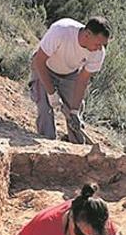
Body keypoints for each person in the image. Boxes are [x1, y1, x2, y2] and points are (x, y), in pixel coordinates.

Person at [29, 16, 111, 144]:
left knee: (74, 118)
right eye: (98, 44)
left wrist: (74, 110)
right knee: (46, 109)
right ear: (88, 34)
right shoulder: (61, 31)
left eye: (102, 45)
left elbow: (82, 80)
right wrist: (51, 93)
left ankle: (78, 149)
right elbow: (39, 61)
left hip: (69, 74)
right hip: (44, 68)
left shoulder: (98, 53)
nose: (99, 48)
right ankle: (47, 144)